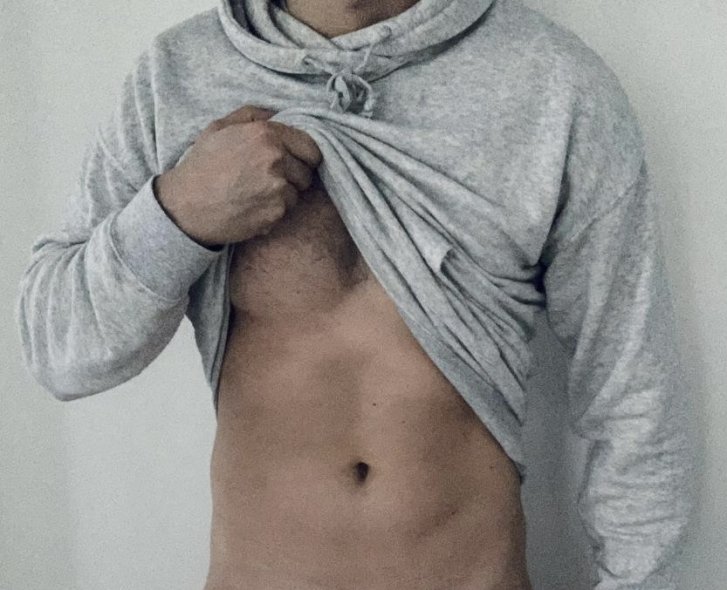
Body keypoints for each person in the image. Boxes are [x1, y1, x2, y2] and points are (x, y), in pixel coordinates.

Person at [15, 0, 696, 588]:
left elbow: (632, 391)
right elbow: (59, 352)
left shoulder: (554, 85)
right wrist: (177, 215)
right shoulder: (177, 77)